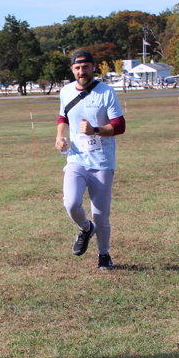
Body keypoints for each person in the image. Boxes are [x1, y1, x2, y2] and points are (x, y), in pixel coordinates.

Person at [55, 49, 126, 270]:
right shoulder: (66, 91)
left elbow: (119, 126)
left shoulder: (106, 92)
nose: (81, 71)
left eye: (85, 67)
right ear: (72, 69)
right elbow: (63, 117)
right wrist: (59, 137)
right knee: (71, 203)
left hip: (102, 162)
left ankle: (104, 254)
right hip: (76, 159)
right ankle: (86, 228)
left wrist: (95, 129)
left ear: (93, 67)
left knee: (100, 215)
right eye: (77, 68)